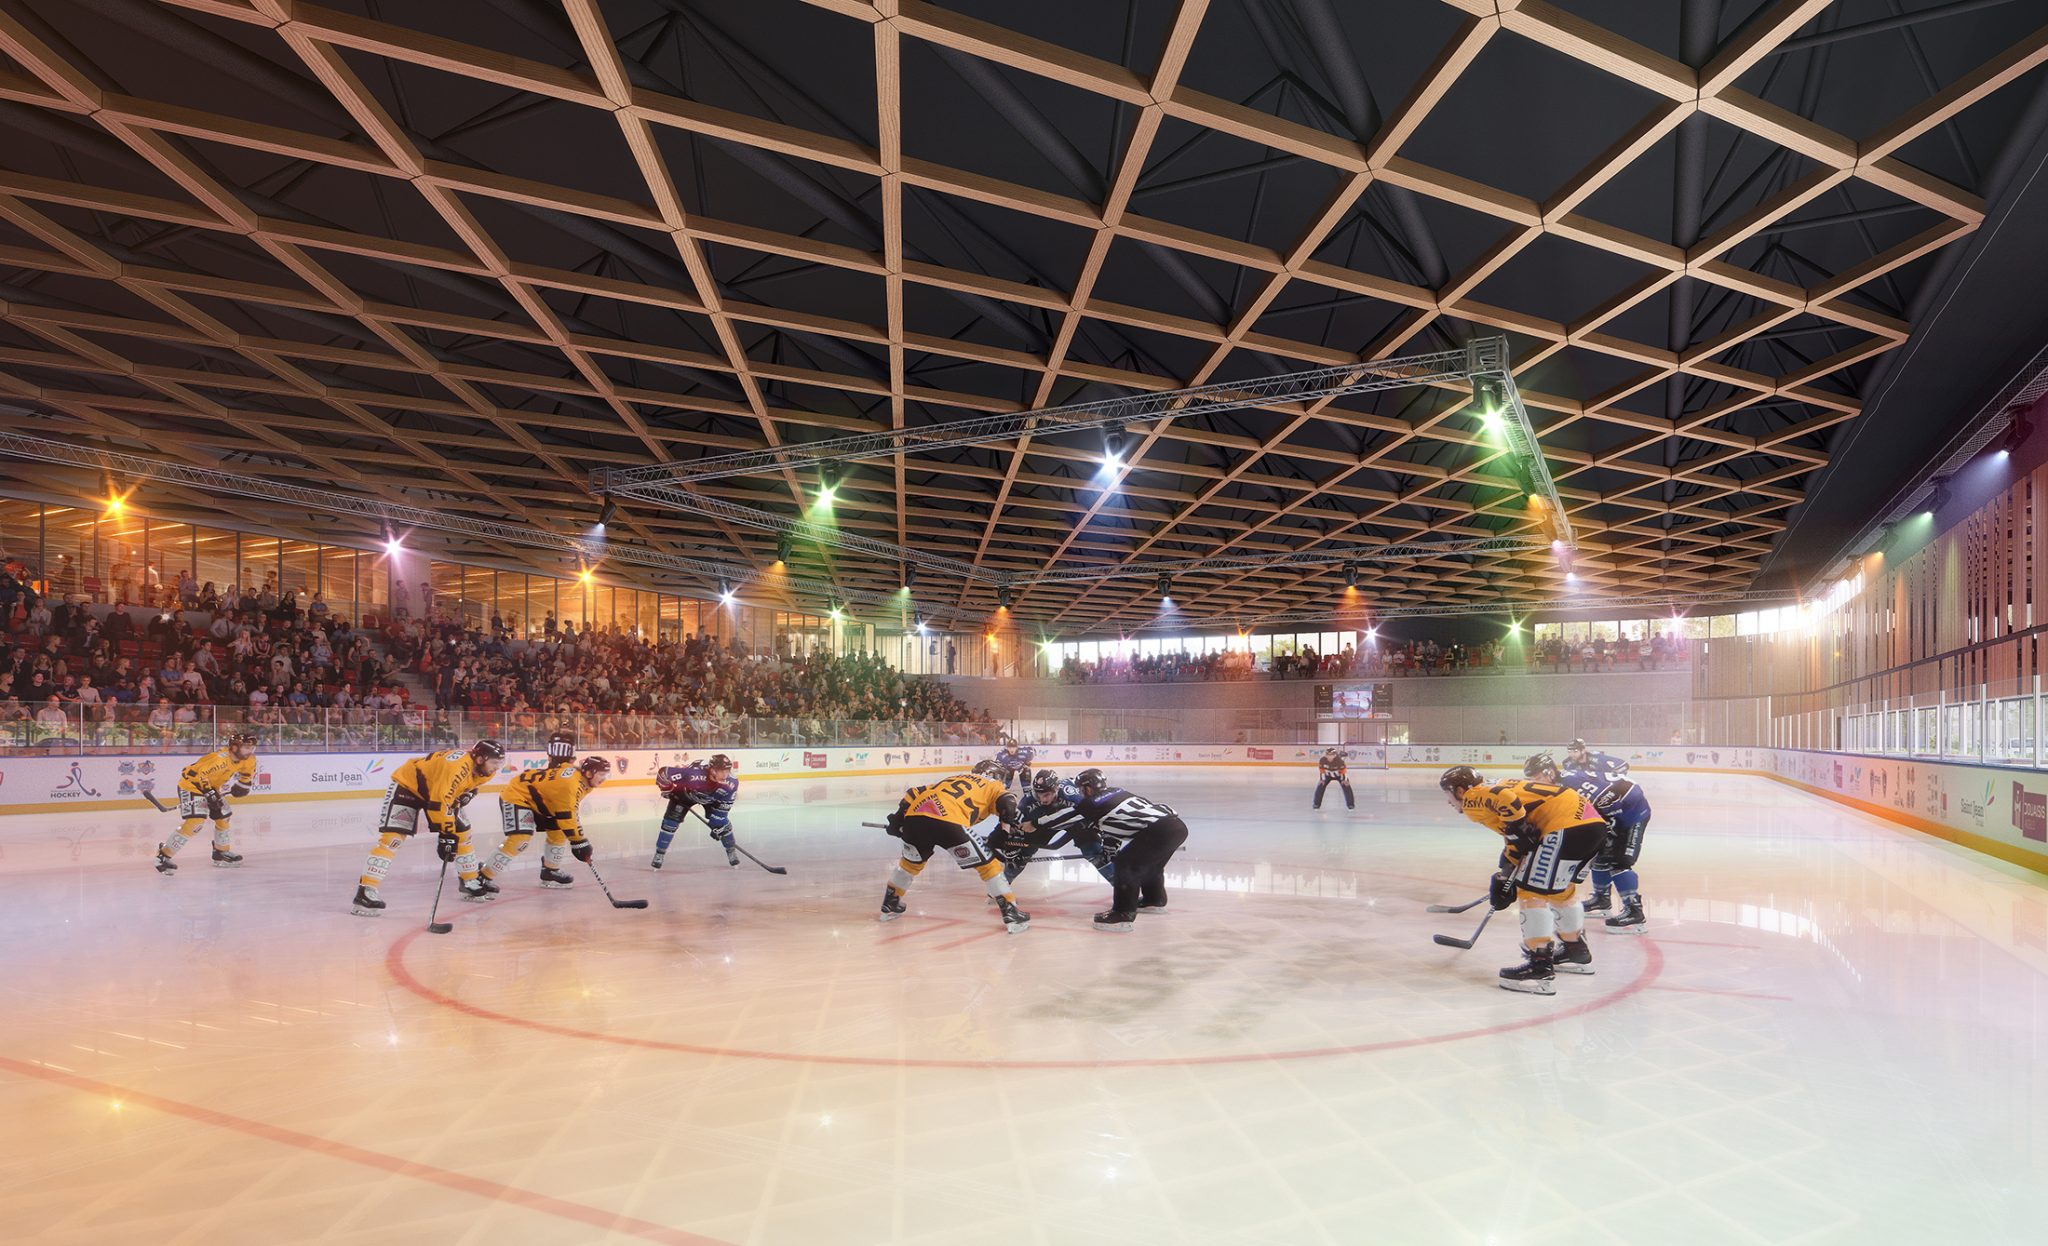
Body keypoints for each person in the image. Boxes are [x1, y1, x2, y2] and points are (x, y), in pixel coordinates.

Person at [1439, 765, 1606, 994]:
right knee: (1560, 891)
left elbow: (1505, 801)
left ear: (1459, 790)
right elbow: (1516, 838)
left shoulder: (1472, 797)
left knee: (1531, 893)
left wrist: (1520, 828)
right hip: (1590, 824)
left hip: (1563, 826)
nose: (1449, 801)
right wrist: (1505, 871)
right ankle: (1575, 951)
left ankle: (1540, 966)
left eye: (1448, 794)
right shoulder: (1500, 782)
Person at [350, 739, 506, 915]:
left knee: (463, 832)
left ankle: (469, 881)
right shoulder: (457, 768)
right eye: (494, 762)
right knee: (392, 839)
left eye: (499, 763)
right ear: (479, 759)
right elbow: (438, 804)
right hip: (408, 787)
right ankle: (366, 891)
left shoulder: (486, 771)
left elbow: (465, 788)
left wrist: (467, 795)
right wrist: (446, 833)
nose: (497, 767)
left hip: (436, 790)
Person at [876, 759, 1030, 932]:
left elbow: (912, 793)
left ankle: (890, 903)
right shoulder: (993, 784)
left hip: (915, 817)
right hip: (949, 820)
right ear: (995, 775)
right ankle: (1011, 913)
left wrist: (897, 820)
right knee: (989, 866)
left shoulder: (953, 778)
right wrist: (1004, 834)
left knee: (910, 864)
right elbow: (1008, 803)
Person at [1526, 752, 1650, 932]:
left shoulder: (1573, 784)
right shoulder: (1557, 786)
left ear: (1549, 773)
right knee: (1599, 855)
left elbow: (1611, 797)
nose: (1535, 783)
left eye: (1537, 777)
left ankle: (1634, 911)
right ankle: (1602, 899)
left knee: (1619, 861)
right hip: (1611, 810)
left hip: (1631, 812)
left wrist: (1605, 829)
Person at [1069, 768, 1188, 931]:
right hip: (1176, 826)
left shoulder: (1089, 803)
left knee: (1126, 864)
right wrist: (1110, 848)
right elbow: (1116, 824)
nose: (1081, 793)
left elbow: (1069, 819)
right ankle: (1154, 900)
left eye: (1081, 789)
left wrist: (1034, 825)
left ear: (1087, 788)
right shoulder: (1118, 792)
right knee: (1151, 865)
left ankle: (1122, 914)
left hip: (1159, 831)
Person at [480, 754, 612, 890]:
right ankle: (482, 877)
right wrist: (579, 841)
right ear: (589, 773)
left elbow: (563, 771)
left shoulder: (583, 779)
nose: (604, 779)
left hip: (543, 799)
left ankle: (550, 871)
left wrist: (578, 840)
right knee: (520, 839)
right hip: (518, 795)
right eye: (602, 774)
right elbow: (568, 816)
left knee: (559, 833)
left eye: (606, 775)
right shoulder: (570, 785)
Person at [987, 769, 1115, 885]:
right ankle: (1001, 888)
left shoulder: (1071, 794)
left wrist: (1107, 835)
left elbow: (1096, 812)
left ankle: (1123, 893)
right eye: (1038, 794)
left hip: (1075, 821)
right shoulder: (1028, 802)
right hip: (1044, 824)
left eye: (1047, 794)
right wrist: (1000, 837)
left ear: (1057, 788)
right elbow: (1012, 821)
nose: (1042, 799)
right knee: (1020, 858)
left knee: (1093, 851)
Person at [155, 730, 259, 873]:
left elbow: (247, 774)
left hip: (211, 788)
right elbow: (194, 774)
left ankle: (220, 852)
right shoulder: (220, 759)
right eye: (246, 747)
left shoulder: (249, 760)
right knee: (195, 823)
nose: (250, 751)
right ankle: (163, 855)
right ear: (234, 747)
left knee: (224, 816)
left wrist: (243, 785)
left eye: (252, 748)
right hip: (191, 786)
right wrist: (208, 792)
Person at [651, 752, 739, 869]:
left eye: (727, 770)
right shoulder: (693, 774)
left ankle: (730, 849)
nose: (725, 774)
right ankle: (659, 853)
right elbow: (663, 772)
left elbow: (721, 813)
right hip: (685, 795)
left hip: (711, 799)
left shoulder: (731, 784)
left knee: (722, 824)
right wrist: (667, 789)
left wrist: (717, 825)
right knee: (670, 823)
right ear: (712, 770)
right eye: (721, 771)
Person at [1563, 738, 1630, 779]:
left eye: (1575, 751)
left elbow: (1624, 765)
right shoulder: (1567, 763)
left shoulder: (1598, 759)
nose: (1572, 754)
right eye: (1569, 752)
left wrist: (1614, 778)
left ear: (1583, 750)